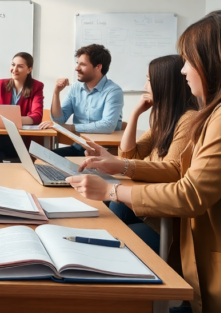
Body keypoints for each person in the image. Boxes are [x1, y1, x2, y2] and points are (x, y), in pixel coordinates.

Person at [68, 11, 221, 313]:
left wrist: (110, 191)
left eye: (189, 61)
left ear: (216, 63)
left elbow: (190, 193)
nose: (183, 71)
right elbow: (181, 171)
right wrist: (120, 167)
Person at [81, 55, 198, 253]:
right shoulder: (165, 118)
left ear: (164, 83)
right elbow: (130, 155)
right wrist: (135, 114)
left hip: (162, 221)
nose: (145, 86)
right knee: (109, 216)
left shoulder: (188, 120)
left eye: (149, 80)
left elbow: (172, 170)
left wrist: (121, 165)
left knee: (113, 236)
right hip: (147, 209)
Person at [39, 44, 124, 157]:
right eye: (77, 63)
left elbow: (107, 125)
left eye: (82, 64)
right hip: (79, 147)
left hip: (103, 152)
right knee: (42, 157)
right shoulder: (76, 88)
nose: (76, 68)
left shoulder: (113, 91)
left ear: (98, 67)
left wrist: (71, 128)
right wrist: (56, 92)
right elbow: (59, 119)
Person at [0, 52, 44, 163]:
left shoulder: (36, 87)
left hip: (19, 142)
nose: (14, 69)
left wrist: (9, 120)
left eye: (20, 66)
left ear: (29, 69)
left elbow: (37, 116)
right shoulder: (1, 84)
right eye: (13, 64)